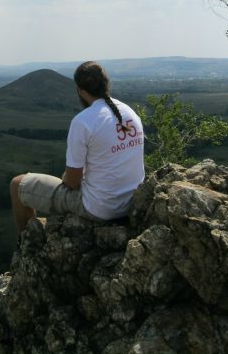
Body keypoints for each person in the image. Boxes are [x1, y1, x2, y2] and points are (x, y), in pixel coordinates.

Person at [10, 61, 145, 234]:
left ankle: (26, 242)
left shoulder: (83, 121)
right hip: (131, 202)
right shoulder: (130, 112)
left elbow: (72, 182)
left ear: (80, 90)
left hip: (100, 208)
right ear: (107, 84)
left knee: (17, 184)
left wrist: (66, 177)